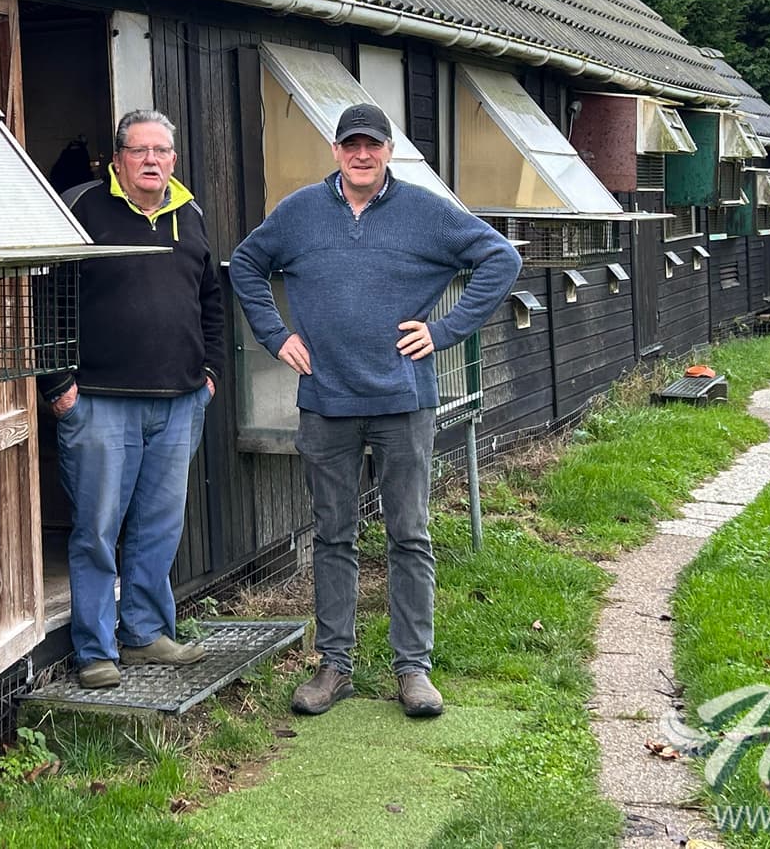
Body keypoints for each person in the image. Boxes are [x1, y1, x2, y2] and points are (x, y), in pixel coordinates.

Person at [229, 102, 520, 718]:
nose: (362, 155)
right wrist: (276, 335)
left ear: (389, 151)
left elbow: (502, 259)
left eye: (373, 145)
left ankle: (413, 669)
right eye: (351, 145)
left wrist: (445, 333)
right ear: (336, 151)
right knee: (333, 534)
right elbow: (248, 264)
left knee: (408, 533)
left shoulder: (426, 213)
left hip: (402, 400)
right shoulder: (300, 212)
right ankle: (335, 666)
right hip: (326, 401)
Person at [42, 109, 224, 689]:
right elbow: (45, 297)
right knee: (97, 527)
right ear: (118, 157)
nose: (152, 161)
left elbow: (211, 299)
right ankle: (95, 650)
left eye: (162, 151)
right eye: (140, 150)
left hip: (178, 400)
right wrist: (57, 384)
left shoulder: (188, 213)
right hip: (98, 400)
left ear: (174, 158)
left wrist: (210, 373)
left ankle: (144, 635)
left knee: (158, 525)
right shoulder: (82, 208)